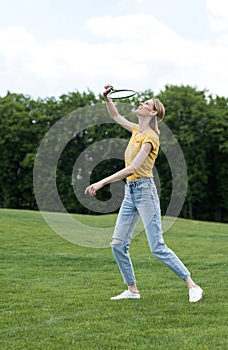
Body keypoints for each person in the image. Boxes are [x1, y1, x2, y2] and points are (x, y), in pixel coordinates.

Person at [85, 84, 204, 302]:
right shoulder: (135, 130)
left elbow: (132, 168)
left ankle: (192, 285)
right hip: (131, 192)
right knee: (117, 244)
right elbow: (115, 115)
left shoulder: (151, 138)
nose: (141, 103)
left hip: (145, 192)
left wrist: (101, 183)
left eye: (146, 103)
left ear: (153, 112)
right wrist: (106, 98)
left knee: (157, 246)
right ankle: (132, 290)